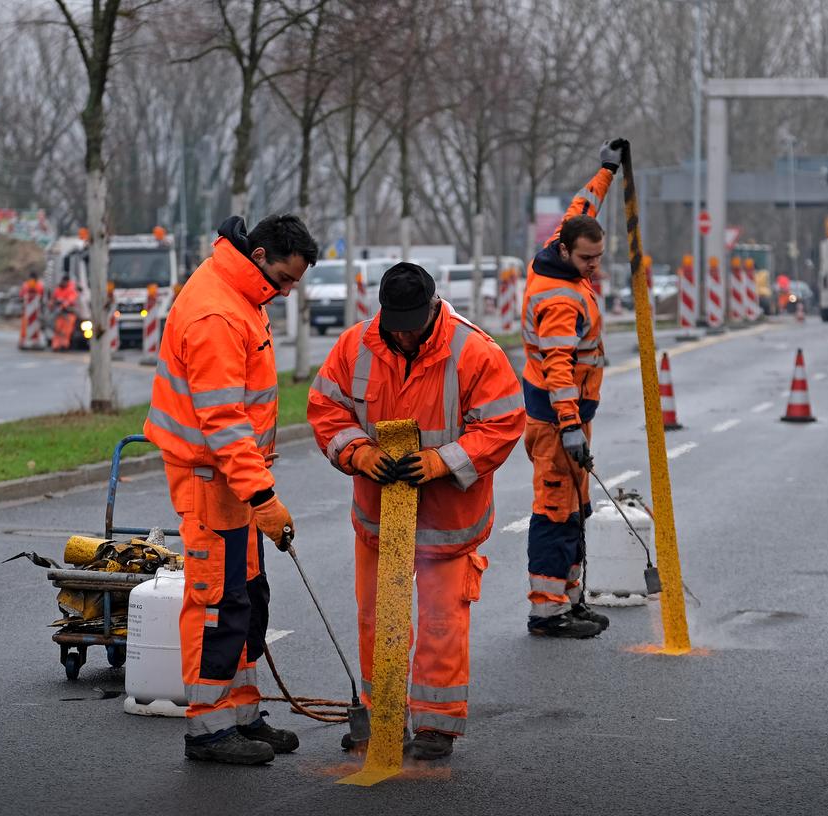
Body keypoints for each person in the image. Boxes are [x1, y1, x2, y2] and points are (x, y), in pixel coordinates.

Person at [307, 263, 525, 761]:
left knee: (441, 622)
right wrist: (358, 453)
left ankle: (435, 725)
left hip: (448, 523)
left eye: (412, 321)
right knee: (375, 619)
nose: (403, 333)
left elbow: (503, 424)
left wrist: (440, 462)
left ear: (433, 307)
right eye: (395, 322)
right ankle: (379, 714)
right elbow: (325, 408)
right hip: (378, 517)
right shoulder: (355, 346)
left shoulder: (474, 352)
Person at [144, 214, 318, 765]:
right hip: (210, 480)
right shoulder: (219, 311)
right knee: (217, 604)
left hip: (234, 482)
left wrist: (255, 490)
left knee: (247, 599)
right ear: (260, 254)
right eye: (285, 279)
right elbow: (223, 421)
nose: (287, 291)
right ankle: (209, 731)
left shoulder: (241, 293)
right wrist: (263, 496)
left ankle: (242, 713)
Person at [519, 139, 624, 638]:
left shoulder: (564, 246)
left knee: (575, 509)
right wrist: (570, 429)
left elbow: (584, 205)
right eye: (587, 260)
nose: (594, 268)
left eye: (599, 257)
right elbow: (558, 370)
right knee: (555, 512)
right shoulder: (559, 300)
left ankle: (571, 599)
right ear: (566, 250)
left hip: (570, 419)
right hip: (558, 418)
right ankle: (548, 612)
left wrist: (607, 170)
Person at [51, 275, 79, 351]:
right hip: (60, 314)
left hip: (68, 314)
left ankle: (64, 345)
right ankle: (56, 345)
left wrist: (61, 306)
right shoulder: (58, 289)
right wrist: (53, 306)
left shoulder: (71, 290)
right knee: (58, 330)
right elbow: (53, 299)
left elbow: (70, 301)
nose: (63, 283)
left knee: (66, 331)